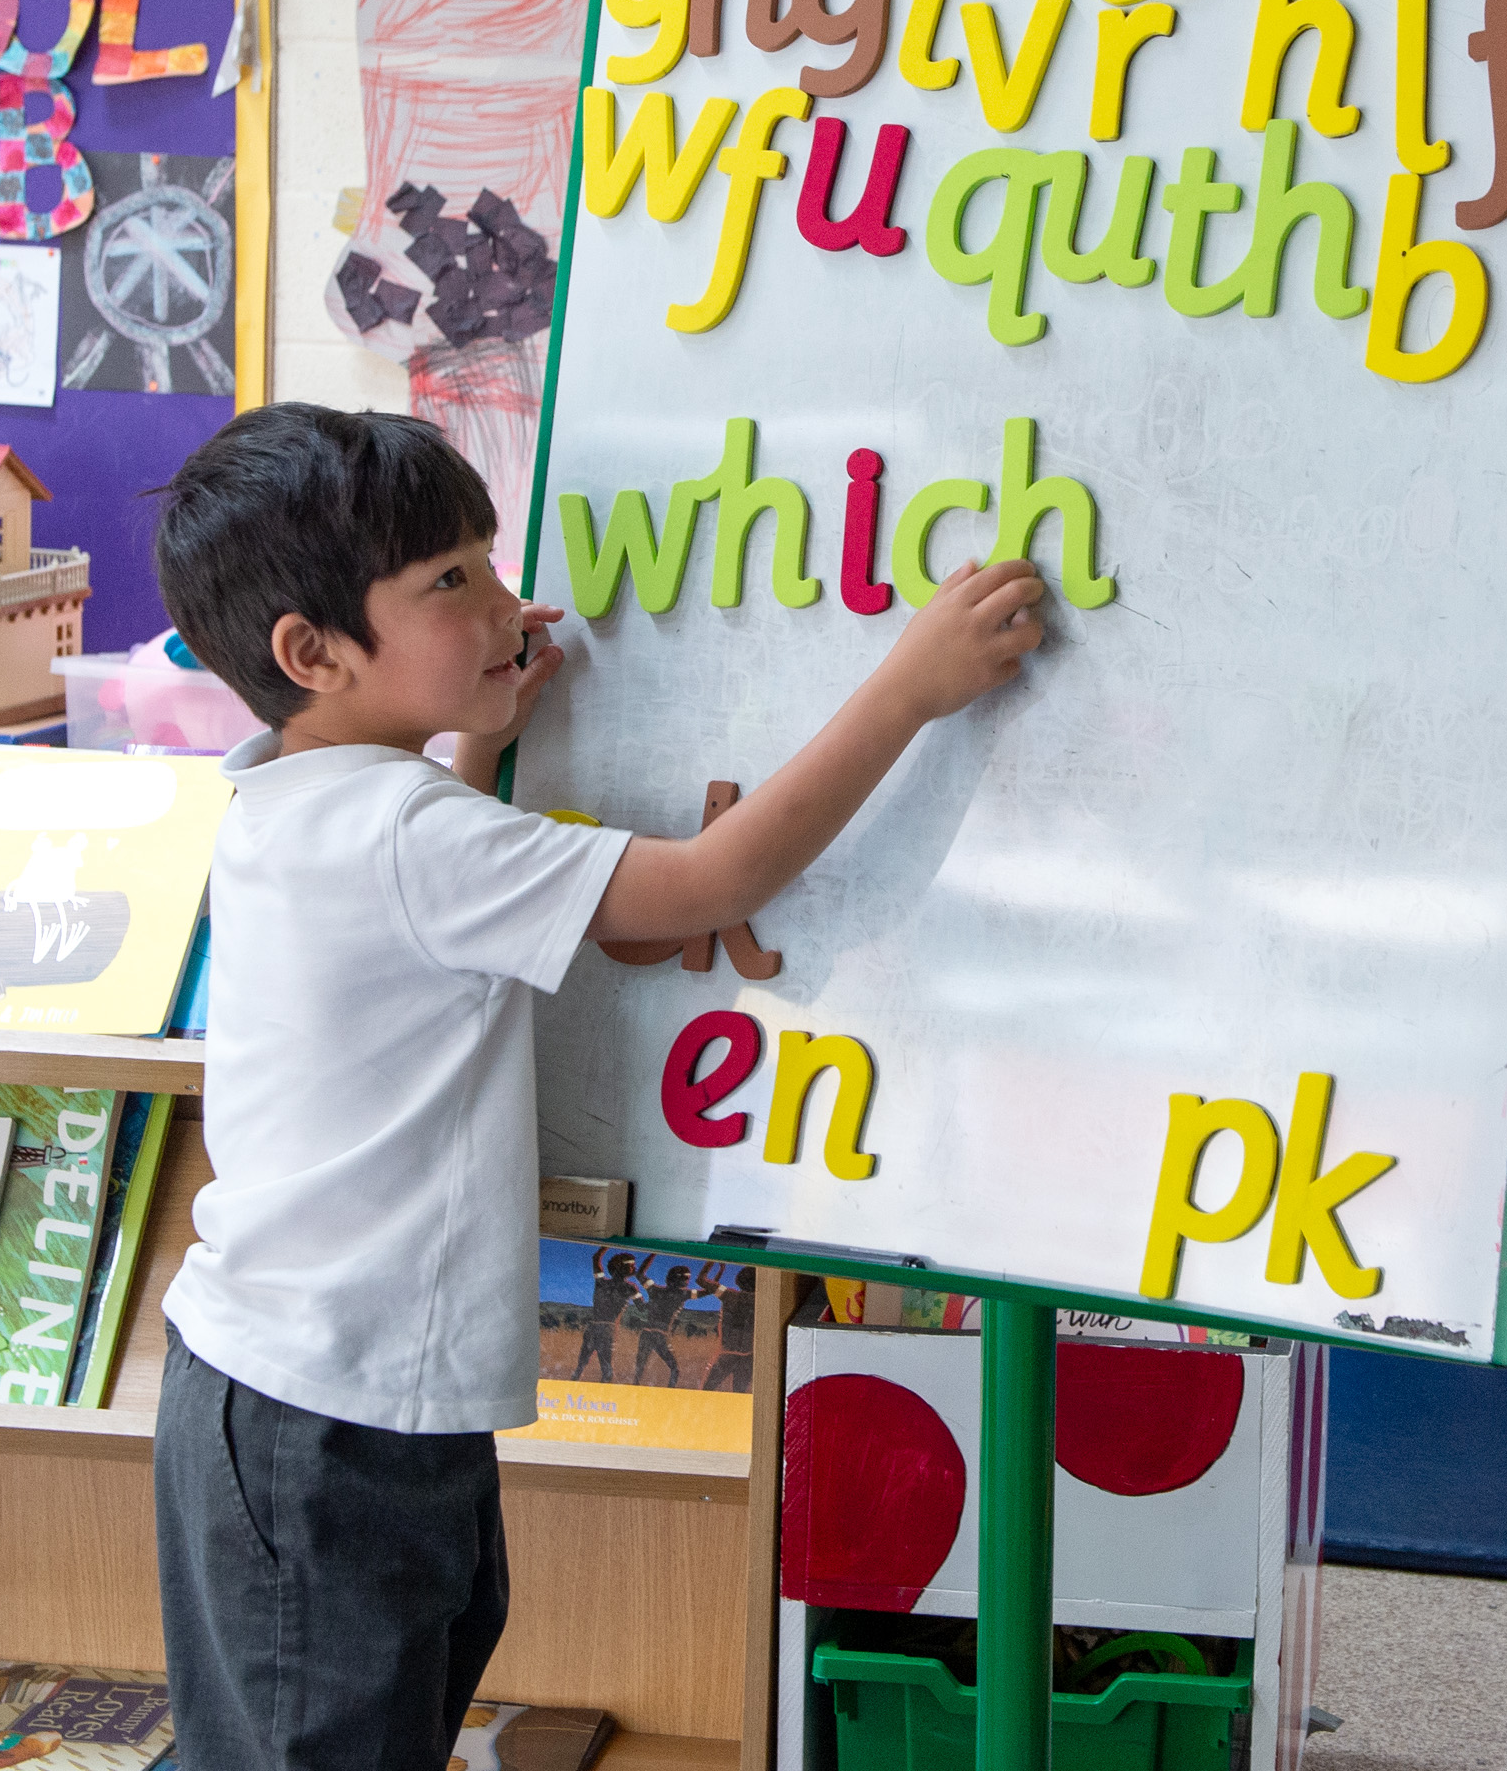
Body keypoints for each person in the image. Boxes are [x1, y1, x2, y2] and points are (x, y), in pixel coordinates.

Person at [149, 403, 1042, 1771]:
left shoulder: (293, 795)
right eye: (452, 583)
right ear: (312, 652)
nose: (505, 603)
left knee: (356, 1723)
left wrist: (479, 740)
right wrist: (909, 687)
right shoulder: (405, 831)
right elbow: (711, 884)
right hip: (327, 1419)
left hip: (320, 1394)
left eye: (486, 562)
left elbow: (430, 883)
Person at [573, 1249, 637, 1384]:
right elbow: (643, 1308)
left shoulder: (601, 1282)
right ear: (621, 1267)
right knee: (606, 1370)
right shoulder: (631, 1288)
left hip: (593, 1328)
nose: (634, 1268)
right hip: (607, 1330)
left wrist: (606, 1245)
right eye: (631, 1265)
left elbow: (596, 1257)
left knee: (580, 1367)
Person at [699, 1264, 757, 1393]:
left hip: (726, 1355)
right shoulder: (761, 1301)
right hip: (748, 1357)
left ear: (739, 1280)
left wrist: (714, 1263)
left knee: (706, 1391)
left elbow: (701, 1280)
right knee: (740, 1396)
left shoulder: (728, 1295)